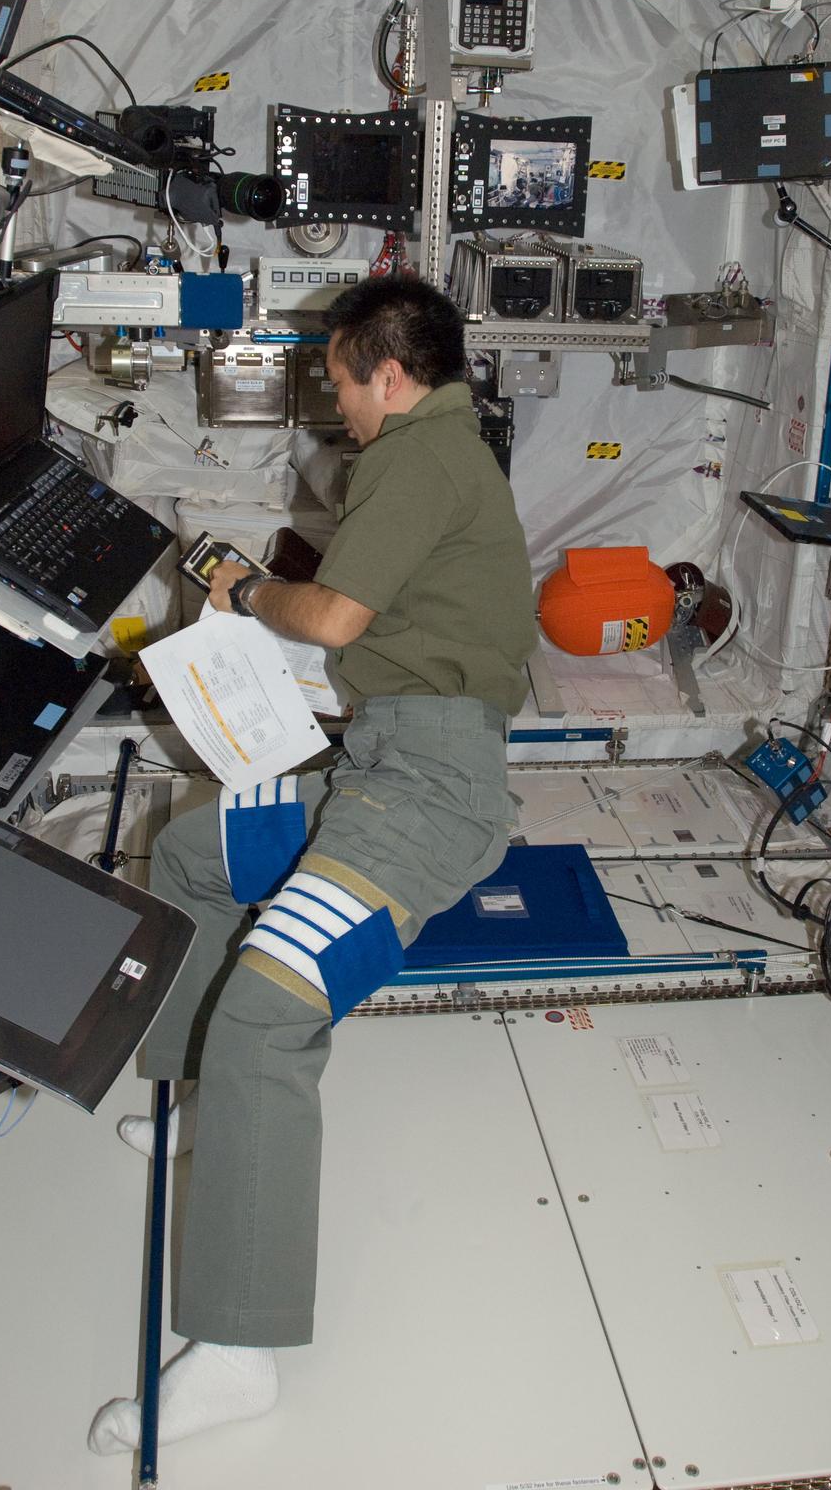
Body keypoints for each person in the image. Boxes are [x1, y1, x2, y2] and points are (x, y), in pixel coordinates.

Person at [89, 274, 536, 1457]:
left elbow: (334, 619)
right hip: (381, 757)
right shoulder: (443, 450)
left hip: (425, 797)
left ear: (388, 375)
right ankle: (203, 1108)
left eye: (338, 380)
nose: (335, 403)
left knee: (267, 1021)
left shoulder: (416, 456)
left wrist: (244, 590)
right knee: (193, 855)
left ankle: (239, 1353)